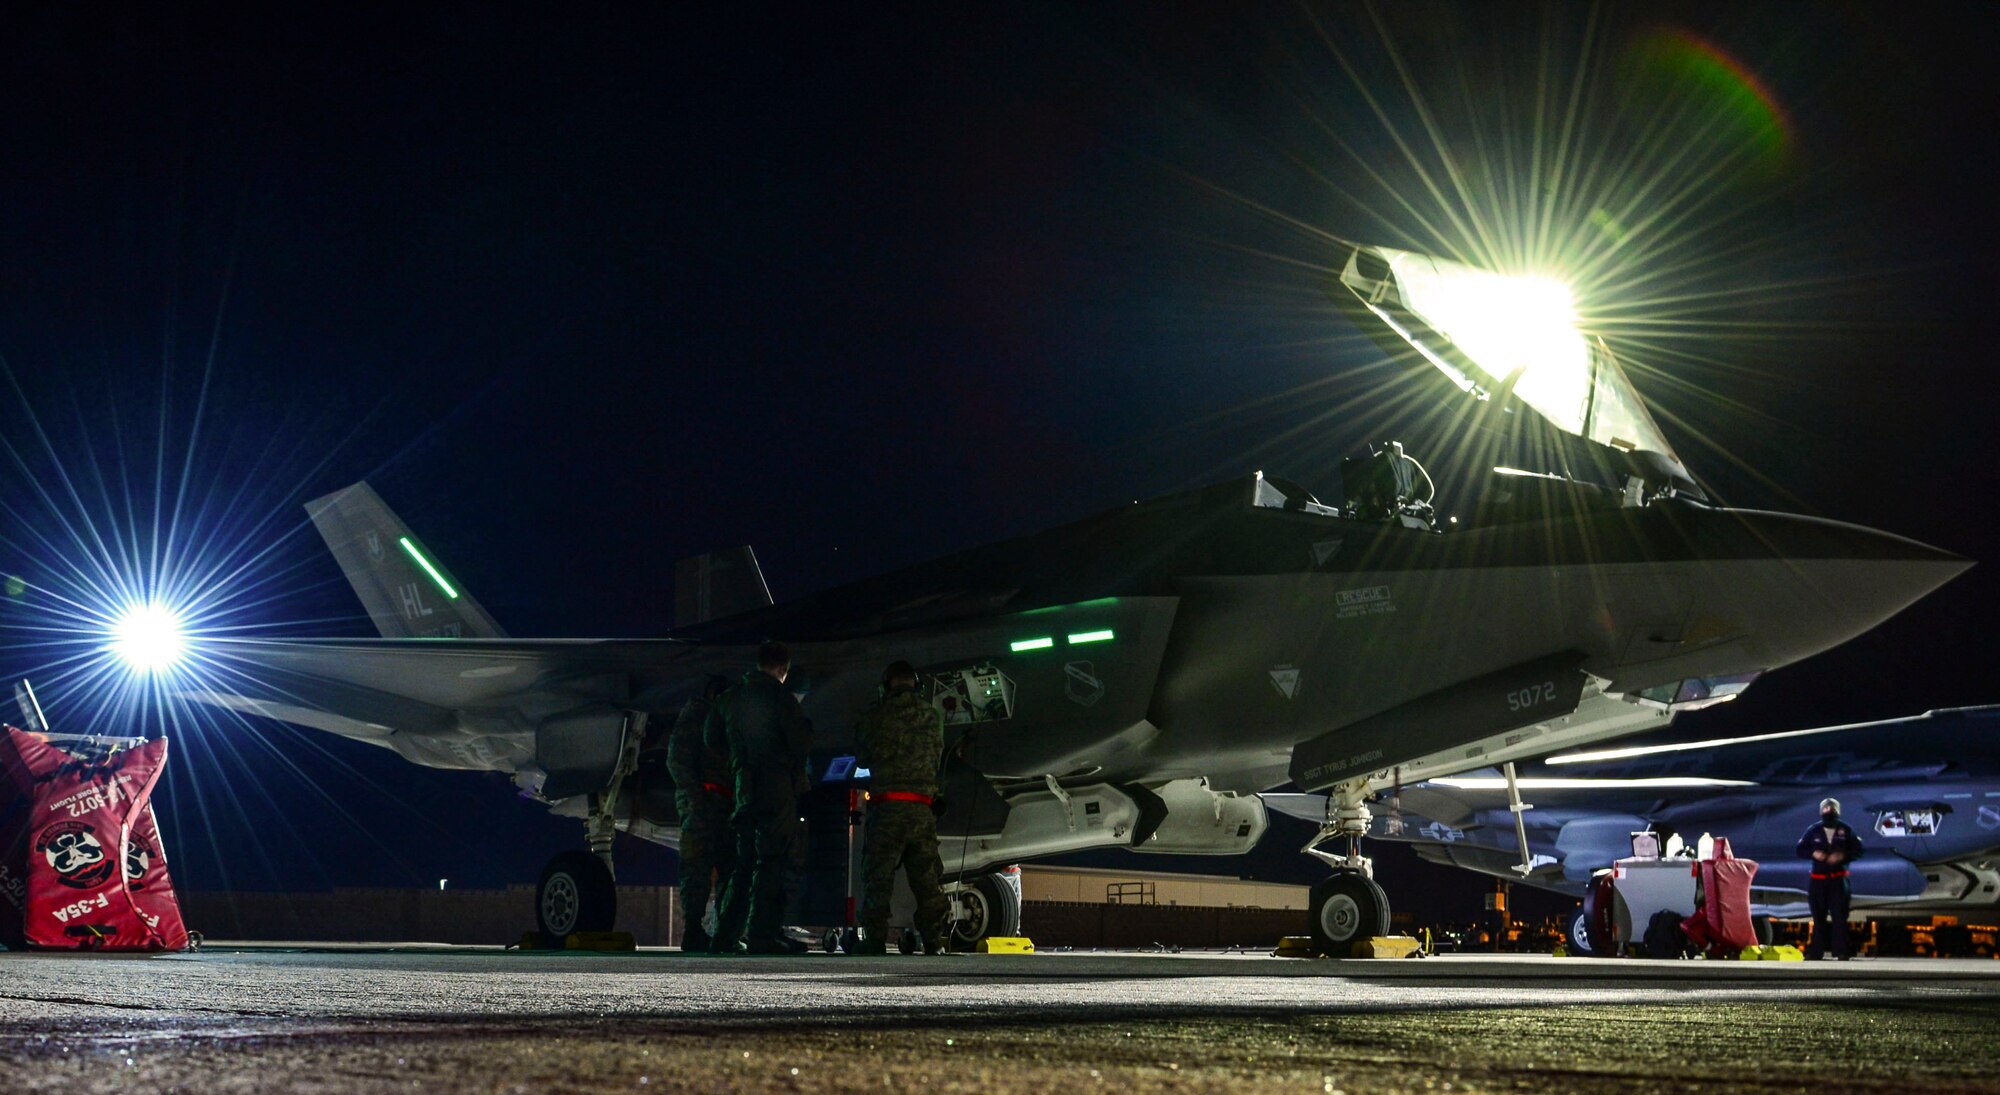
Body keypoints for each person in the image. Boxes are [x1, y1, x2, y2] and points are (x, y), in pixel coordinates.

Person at [710, 641, 812, 955]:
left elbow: (711, 739)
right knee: (771, 863)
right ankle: (762, 935)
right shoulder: (782, 699)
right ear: (784, 669)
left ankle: (725, 936)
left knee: (743, 864)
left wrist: (739, 761)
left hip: (744, 791)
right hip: (776, 790)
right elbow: (800, 744)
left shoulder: (729, 699)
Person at [853, 660, 950, 955]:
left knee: (878, 878)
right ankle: (934, 941)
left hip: (887, 809)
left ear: (886, 686)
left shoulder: (875, 716)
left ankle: (874, 940)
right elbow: (937, 753)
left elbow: (862, 759)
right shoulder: (932, 717)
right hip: (922, 810)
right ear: (916, 686)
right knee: (927, 879)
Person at [666, 675, 733, 954]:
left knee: (729, 867)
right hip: (702, 807)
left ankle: (724, 930)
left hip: (723, 806)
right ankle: (694, 929)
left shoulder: (724, 723)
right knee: (696, 870)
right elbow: (678, 761)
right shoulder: (696, 718)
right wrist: (697, 797)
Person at [1796, 796, 1864, 960]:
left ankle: (1841, 951)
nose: (1829, 812)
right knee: (1818, 917)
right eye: (1826, 809)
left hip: (1838, 880)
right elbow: (1800, 849)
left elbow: (1858, 850)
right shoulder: (1813, 830)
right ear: (1821, 811)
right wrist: (1814, 853)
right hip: (1818, 879)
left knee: (1840, 917)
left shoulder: (1845, 830)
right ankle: (1816, 952)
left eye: (1832, 809)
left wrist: (1843, 856)